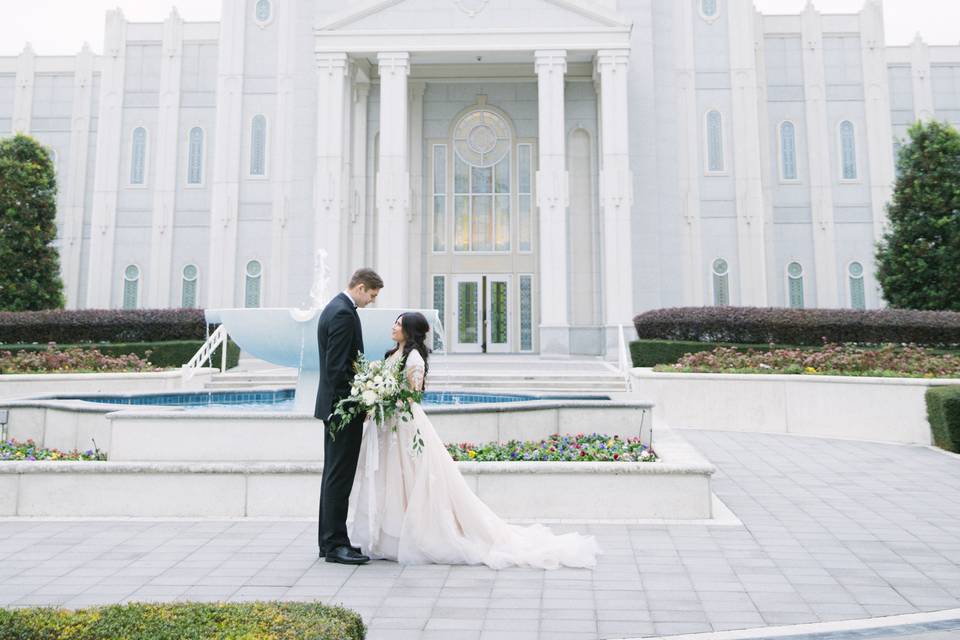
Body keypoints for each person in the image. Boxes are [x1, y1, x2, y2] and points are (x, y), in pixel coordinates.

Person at [347, 312, 600, 569]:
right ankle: (388, 534)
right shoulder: (392, 355)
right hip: (387, 426)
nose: (393, 327)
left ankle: (412, 534)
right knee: (390, 478)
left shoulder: (413, 358)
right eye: (395, 323)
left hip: (404, 425)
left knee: (410, 476)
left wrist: (385, 399)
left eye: (399, 324)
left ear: (409, 330)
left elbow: (413, 396)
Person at [315, 267, 383, 565]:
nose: (371, 301)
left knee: (334, 475)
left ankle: (329, 541)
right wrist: (357, 401)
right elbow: (338, 368)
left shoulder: (335, 307)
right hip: (342, 409)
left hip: (334, 406)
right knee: (339, 477)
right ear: (359, 287)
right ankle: (335, 544)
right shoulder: (343, 313)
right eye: (371, 294)